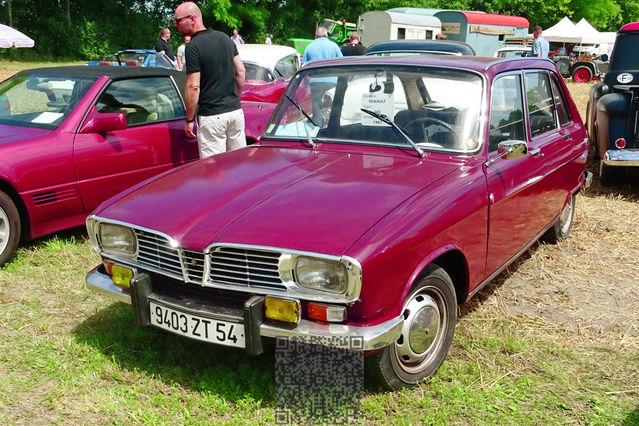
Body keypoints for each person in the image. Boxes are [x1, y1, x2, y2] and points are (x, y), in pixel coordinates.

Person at [174, 2, 246, 158]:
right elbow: (241, 71)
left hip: (212, 117)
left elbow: (193, 87)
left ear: (192, 18)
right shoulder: (225, 39)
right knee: (238, 165)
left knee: (214, 172)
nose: (176, 26)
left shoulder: (193, 47)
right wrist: (235, 97)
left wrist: (189, 119)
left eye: (178, 21)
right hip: (235, 112)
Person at [302, 27, 342, 127]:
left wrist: (306, 83)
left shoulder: (309, 47)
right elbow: (341, 62)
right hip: (332, 81)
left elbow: (304, 66)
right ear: (327, 35)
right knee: (333, 107)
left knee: (317, 109)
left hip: (315, 82)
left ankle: (318, 131)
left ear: (316, 36)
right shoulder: (334, 46)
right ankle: (332, 128)